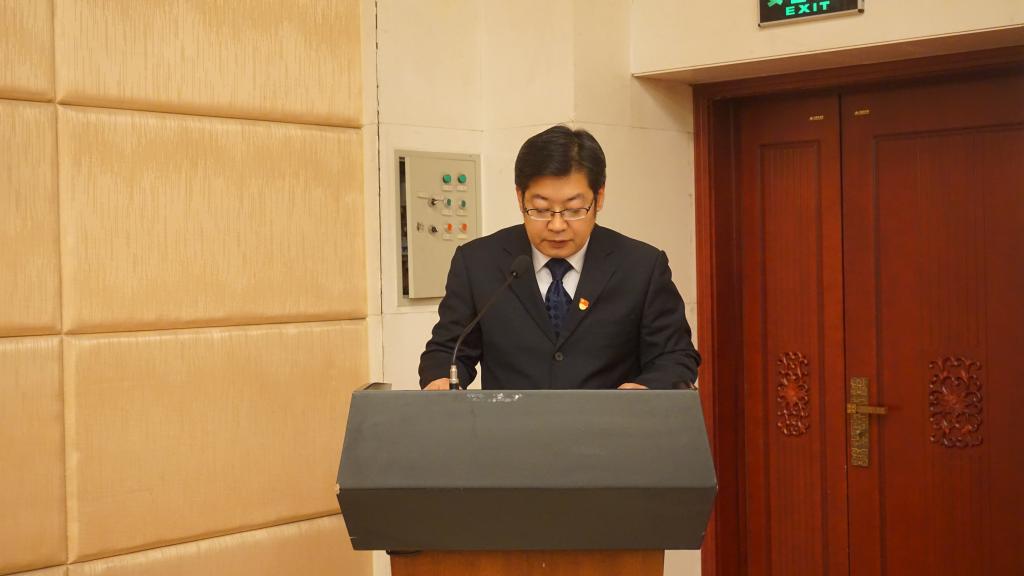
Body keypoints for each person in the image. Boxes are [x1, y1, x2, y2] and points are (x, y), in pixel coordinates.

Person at [418, 125, 700, 390]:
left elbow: (675, 356)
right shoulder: (478, 262)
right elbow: (448, 351)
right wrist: (441, 380)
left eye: (574, 209)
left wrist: (647, 389)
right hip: (510, 425)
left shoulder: (641, 267)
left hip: (610, 425)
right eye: (540, 209)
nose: (556, 225)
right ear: (520, 197)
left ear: (599, 197)